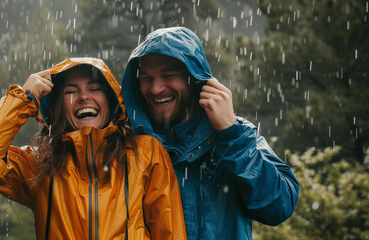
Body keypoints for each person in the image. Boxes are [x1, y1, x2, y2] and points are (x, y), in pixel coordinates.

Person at [0, 58, 187, 240]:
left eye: (95, 88)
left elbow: (170, 233)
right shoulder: (38, 165)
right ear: (59, 106)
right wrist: (23, 100)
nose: (84, 97)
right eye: (71, 91)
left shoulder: (146, 153)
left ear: (112, 102)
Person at [121, 27, 300, 239]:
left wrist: (231, 134)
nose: (156, 88)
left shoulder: (237, 134)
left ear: (194, 79)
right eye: (146, 78)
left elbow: (279, 206)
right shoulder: (127, 146)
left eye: (168, 75)